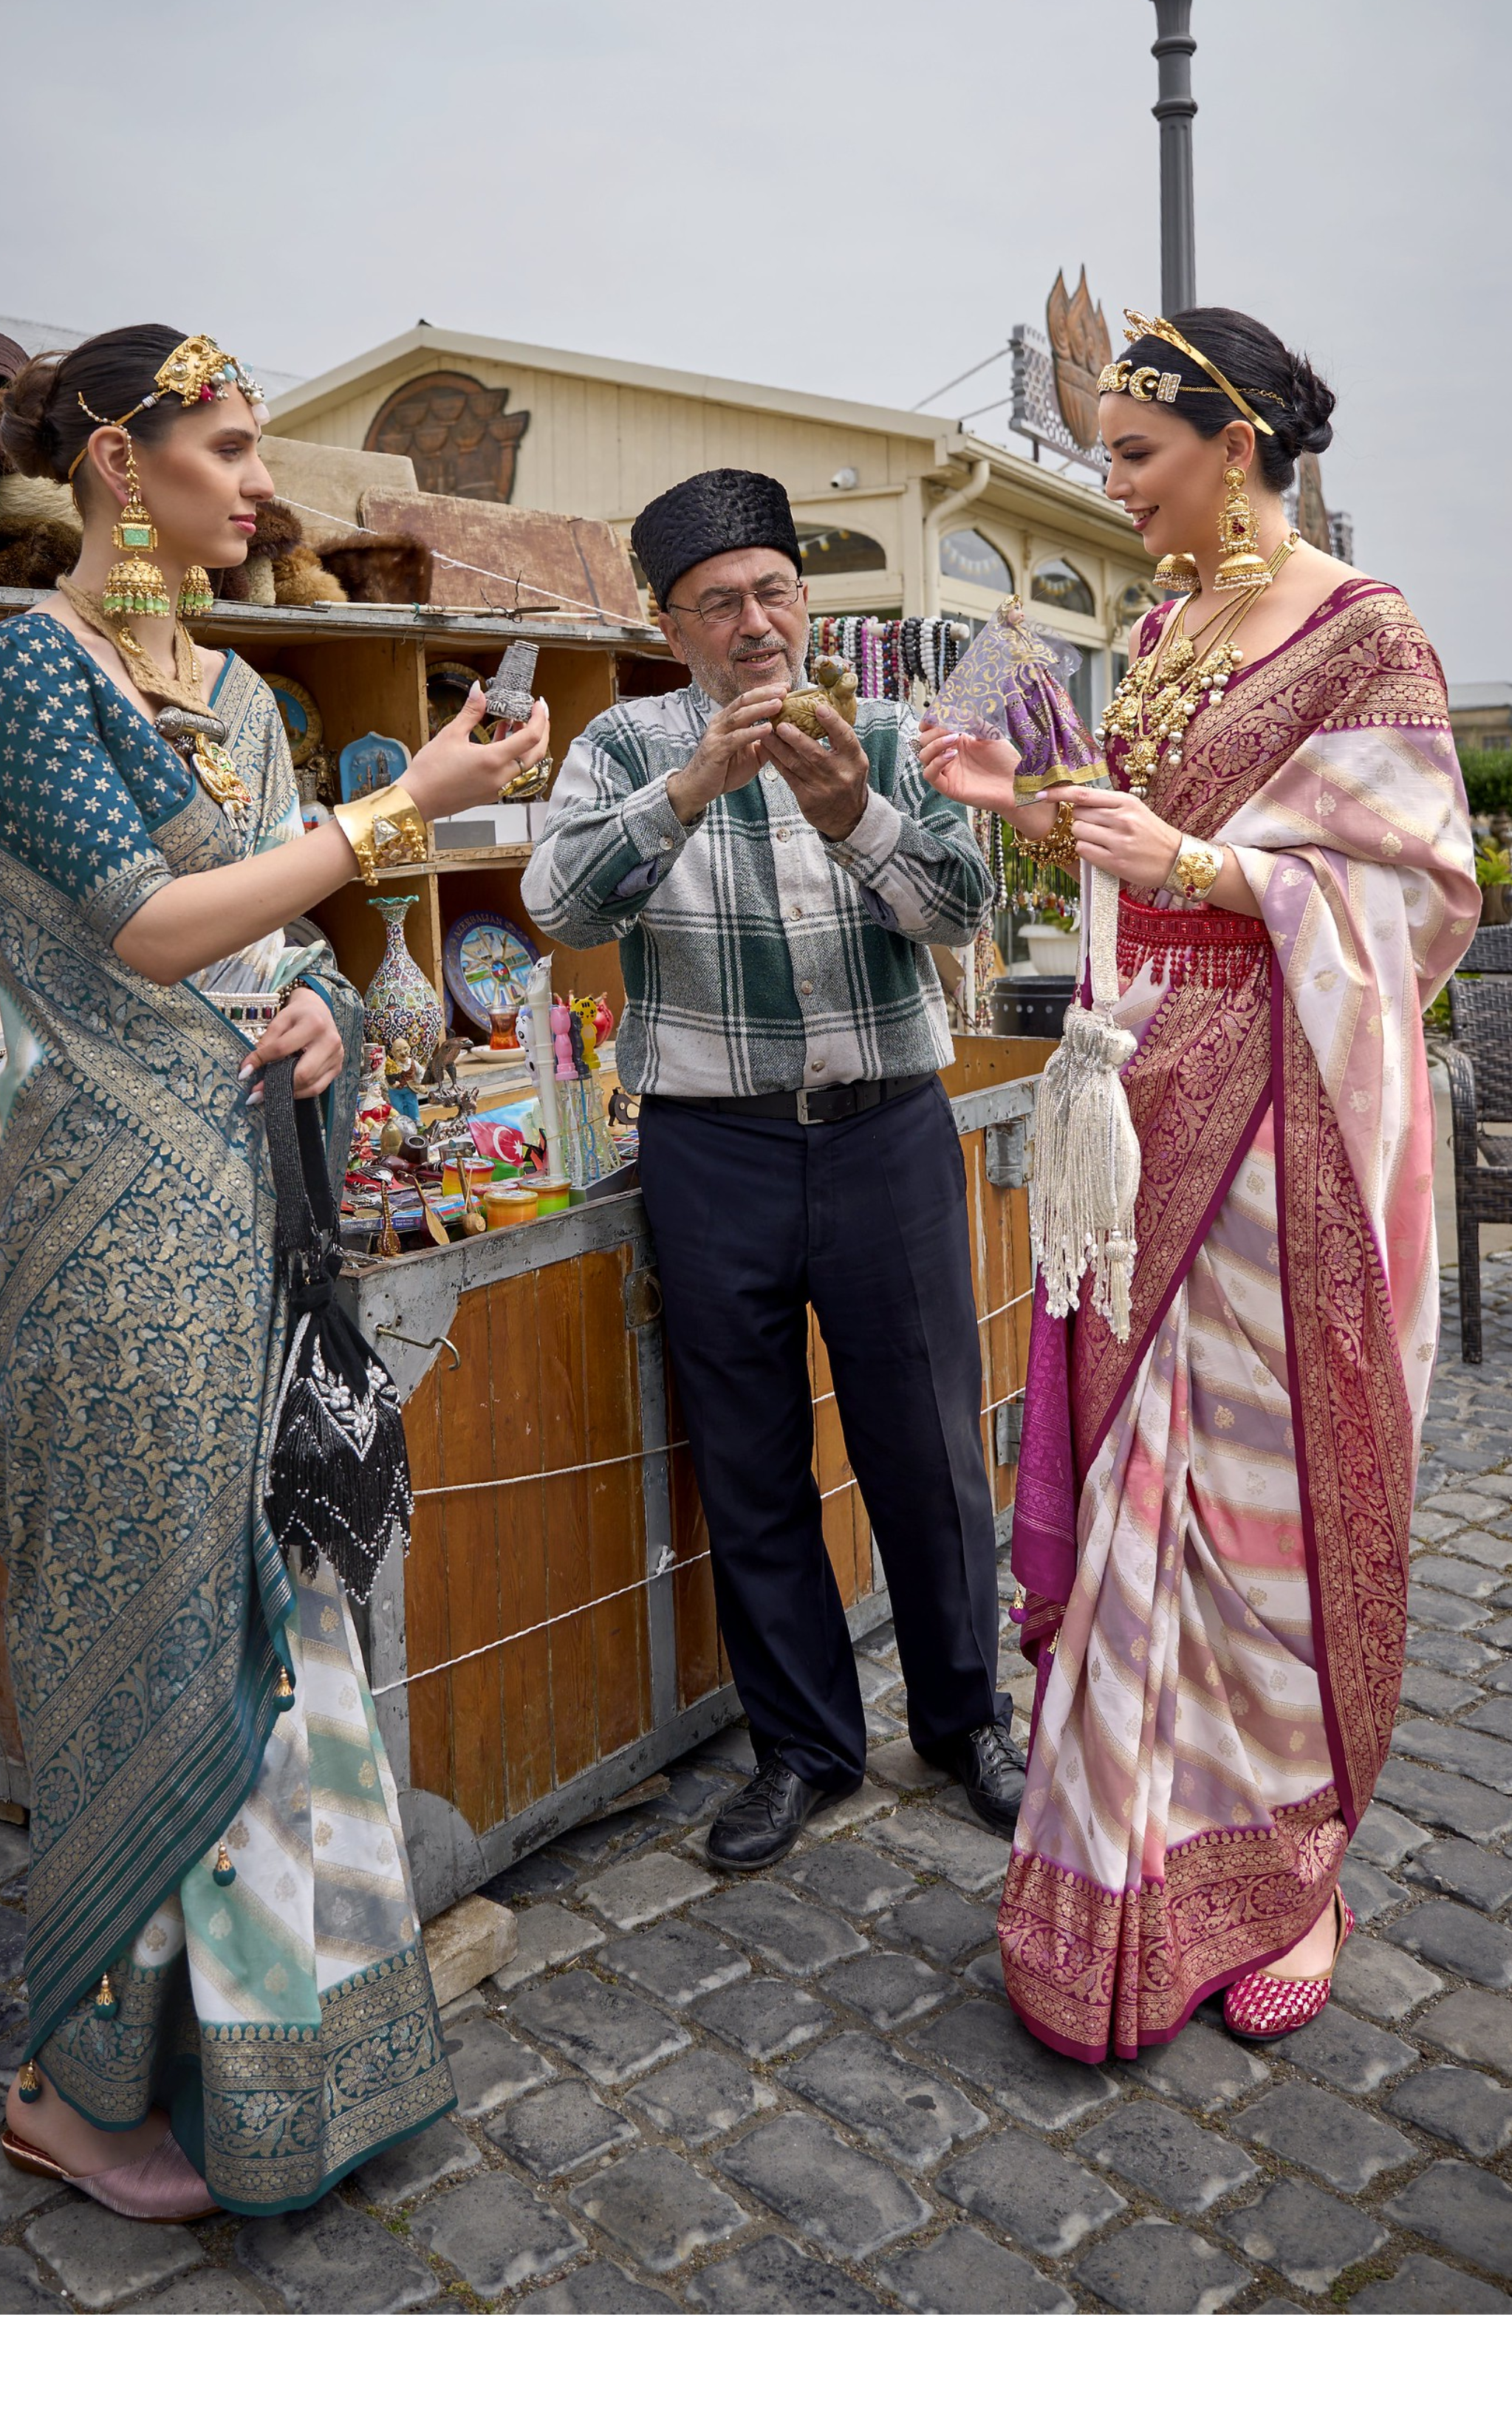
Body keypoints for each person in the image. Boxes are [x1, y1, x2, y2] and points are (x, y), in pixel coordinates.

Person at [0, 324, 548, 2217]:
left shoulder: (241, 692)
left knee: (276, 1653)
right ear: (122, 464)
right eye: (224, 447)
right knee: (135, 1651)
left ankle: (269, 2075)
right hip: (106, 1244)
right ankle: (71, 2080)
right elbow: (140, 928)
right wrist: (404, 813)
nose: (258, 483)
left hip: (247, 1227)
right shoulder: (18, 671)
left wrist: (316, 1018)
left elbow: (257, 951)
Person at [921, 308, 1477, 2062]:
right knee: (1131, 1491)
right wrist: (1028, 805)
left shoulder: (1359, 634)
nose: (1113, 488)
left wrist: (1208, 867)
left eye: (1133, 456)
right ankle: (1123, 1853)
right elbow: (1136, 843)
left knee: (1249, 1504)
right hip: (1137, 1091)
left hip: (1281, 1115)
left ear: (1230, 444)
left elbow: (1417, 892)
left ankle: (1292, 1863)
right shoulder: (1159, 624)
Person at [521, 468, 1024, 1871]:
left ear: (806, 599)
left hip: (886, 1130)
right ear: (670, 625)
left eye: (775, 591)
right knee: (747, 1462)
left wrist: (857, 812)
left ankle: (963, 1717)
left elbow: (964, 912)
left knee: (927, 1450)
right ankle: (805, 1748)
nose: (756, 623)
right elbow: (558, 903)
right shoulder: (625, 745)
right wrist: (691, 790)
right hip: (713, 1147)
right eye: (719, 603)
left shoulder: (885, 732)